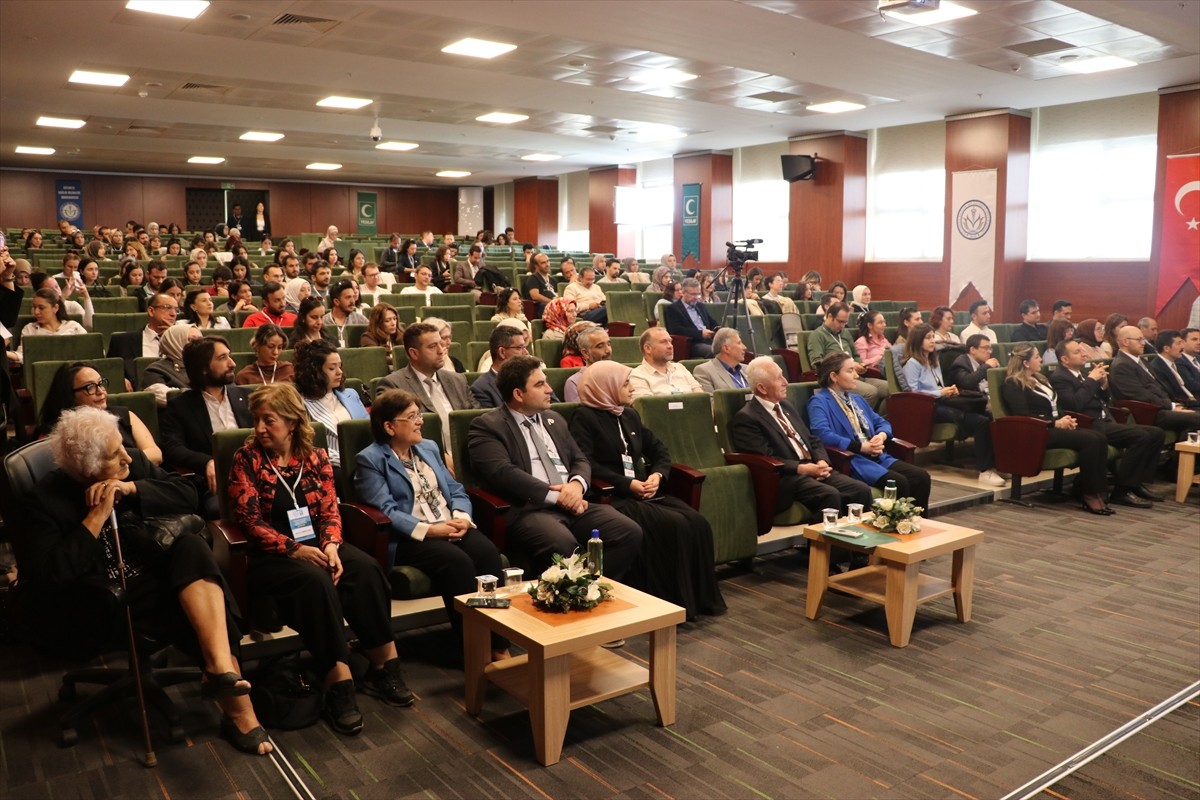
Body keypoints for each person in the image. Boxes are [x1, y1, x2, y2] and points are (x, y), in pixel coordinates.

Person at [16, 407, 271, 756]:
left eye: (123, 446)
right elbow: (51, 573)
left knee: (193, 549)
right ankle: (239, 709)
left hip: (151, 570)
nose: (126, 456)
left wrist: (133, 488)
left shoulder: (129, 464)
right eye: (114, 455)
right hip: (97, 596)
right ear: (85, 468)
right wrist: (95, 517)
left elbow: (188, 494)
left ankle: (220, 670)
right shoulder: (43, 501)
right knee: (201, 593)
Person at [230, 383, 411, 736]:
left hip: (316, 543)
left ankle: (384, 664)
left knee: (366, 569)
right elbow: (248, 522)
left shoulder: (315, 456)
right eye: (257, 420)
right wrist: (294, 549)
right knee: (314, 582)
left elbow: (330, 509)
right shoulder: (247, 458)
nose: (260, 428)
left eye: (270, 420)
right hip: (270, 553)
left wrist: (330, 546)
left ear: (293, 422)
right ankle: (337, 679)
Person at [354, 390, 511, 662]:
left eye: (419, 415)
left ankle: (499, 643)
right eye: (412, 416)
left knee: (486, 553)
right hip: (410, 538)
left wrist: (462, 517)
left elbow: (456, 489)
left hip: (449, 524)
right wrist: (430, 530)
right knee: (457, 562)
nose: (420, 422)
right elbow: (386, 510)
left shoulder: (428, 447)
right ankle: (474, 651)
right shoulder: (371, 459)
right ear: (389, 426)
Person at [570, 361, 726, 620]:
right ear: (605, 388)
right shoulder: (584, 418)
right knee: (674, 525)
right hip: (614, 496)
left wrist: (657, 475)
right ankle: (672, 603)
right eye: (625, 383)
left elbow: (659, 450)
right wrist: (627, 484)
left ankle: (700, 601)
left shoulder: (628, 414)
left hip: (645, 490)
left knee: (697, 522)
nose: (631, 388)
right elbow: (587, 464)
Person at [467, 355, 643, 580]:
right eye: (540, 384)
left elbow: (580, 459)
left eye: (546, 381)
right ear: (518, 394)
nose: (549, 389)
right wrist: (556, 497)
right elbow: (503, 473)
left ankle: (592, 592)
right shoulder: (487, 426)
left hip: (575, 502)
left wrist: (576, 486)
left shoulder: (554, 418)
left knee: (628, 531)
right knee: (562, 544)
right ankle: (569, 601)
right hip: (530, 510)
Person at [731, 356, 873, 517]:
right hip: (788, 478)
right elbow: (765, 459)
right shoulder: (747, 418)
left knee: (861, 490)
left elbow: (812, 439)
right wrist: (802, 468)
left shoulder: (786, 406)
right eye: (779, 378)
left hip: (812, 467)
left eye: (783, 375)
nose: (786, 382)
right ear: (762, 388)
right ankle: (821, 543)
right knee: (830, 495)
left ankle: (857, 540)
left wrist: (821, 460)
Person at [808, 353, 931, 510]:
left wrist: (881, 436)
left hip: (877, 455)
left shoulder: (856, 399)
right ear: (834, 376)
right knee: (899, 482)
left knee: (921, 477)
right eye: (850, 370)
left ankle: (916, 525)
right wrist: (860, 447)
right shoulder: (819, 401)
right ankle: (896, 528)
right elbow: (822, 435)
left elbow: (882, 422)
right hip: (853, 459)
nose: (856, 375)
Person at [1001, 344, 1113, 514]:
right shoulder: (1013, 383)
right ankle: (1089, 494)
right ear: (1025, 363)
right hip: (1038, 431)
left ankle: (1097, 491)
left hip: (1053, 426)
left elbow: (1054, 405)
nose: (1041, 360)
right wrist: (1055, 423)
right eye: (1037, 357)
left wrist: (1064, 418)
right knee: (1091, 440)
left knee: (1099, 437)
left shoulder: (1039, 378)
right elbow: (1023, 416)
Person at [1051, 340, 1164, 508]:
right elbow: (1074, 404)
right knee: (1141, 436)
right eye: (1077, 352)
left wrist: (1103, 385)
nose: (1084, 354)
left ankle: (1135, 483)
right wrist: (1091, 380)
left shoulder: (1082, 373)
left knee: (1157, 433)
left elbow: (1101, 399)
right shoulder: (1060, 378)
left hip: (1106, 419)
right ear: (1065, 360)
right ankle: (1122, 491)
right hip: (1090, 424)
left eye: (1083, 350)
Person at [160, 336, 255, 518]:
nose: (232, 363)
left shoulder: (248, 396)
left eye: (230, 356)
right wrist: (208, 461)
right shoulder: (181, 406)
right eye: (222, 358)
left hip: (257, 475)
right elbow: (172, 448)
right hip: (217, 484)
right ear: (203, 368)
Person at [903, 325, 1005, 487]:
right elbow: (914, 395)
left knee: (988, 417)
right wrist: (941, 393)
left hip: (942, 400)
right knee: (980, 422)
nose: (932, 341)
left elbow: (938, 386)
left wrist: (948, 391)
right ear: (917, 340)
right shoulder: (913, 363)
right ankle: (984, 470)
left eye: (932, 337)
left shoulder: (933, 361)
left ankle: (994, 464)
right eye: (928, 338)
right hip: (927, 407)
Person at [376, 323, 477, 458]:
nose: (441, 350)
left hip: (469, 455)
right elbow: (396, 434)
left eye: (441, 344)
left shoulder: (458, 380)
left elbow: (476, 421)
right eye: (433, 346)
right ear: (414, 353)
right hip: (423, 458)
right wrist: (438, 455)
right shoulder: (393, 385)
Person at [40, 361, 162, 464]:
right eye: (90, 387)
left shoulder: (124, 415)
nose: (100, 391)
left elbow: (156, 454)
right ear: (70, 395)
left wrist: (116, 462)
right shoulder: (57, 434)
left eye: (100, 383)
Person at [292, 339, 369, 474]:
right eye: (332, 368)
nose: (339, 372)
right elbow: (309, 445)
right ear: (314, 371)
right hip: (328, 467)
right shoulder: (300, 403)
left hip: (366, 461)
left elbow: (368, 430)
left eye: (340, 366)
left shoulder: (351, 394)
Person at [1109, 325, 1200, 434]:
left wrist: (1176, 404)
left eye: (1143, 339)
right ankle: (1182, 449)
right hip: (1149, 412)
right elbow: (1141, 395)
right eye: (1139, 340)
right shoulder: (1121, 365)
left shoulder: (1141, 361)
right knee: (1196, 418)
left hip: (1162, 406)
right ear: (1125, 342)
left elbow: (1158, 387)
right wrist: (1171, 406)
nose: (1143, 343)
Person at [807, 302, 889, 411]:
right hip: (838, 379)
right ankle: (857, 422)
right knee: (871, 392)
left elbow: (856, 355)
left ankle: (877, 418)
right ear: (829, 316)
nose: (842, 325)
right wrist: (844, 367)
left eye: (845, 322)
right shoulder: (817, 335)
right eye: (840, 321)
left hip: (857, 375)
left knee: (890, 389)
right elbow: (817, 363)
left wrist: (861, 365)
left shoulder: (844, 333)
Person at [108, 292, 179, 387]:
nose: (173, 314)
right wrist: (119, 379)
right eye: (167, 308)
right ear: (151, 311)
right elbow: (109, 372)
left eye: (176, 309)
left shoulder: (182, 342)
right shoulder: (121, 341)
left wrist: (172, 335)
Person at [13, 288, 89, 365]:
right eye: (34, 307)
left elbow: (88, 351)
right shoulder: (29, 329)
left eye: (41, 308)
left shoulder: (73, 326)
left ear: (55, 308)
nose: (36, 312)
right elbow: (22, 356)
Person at [629, 327, 703, 398]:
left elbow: (701, 398)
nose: (670, 346)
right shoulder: (637, 375)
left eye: (670, 342)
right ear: (648, 348)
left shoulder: (680, 368)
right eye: (663, 342)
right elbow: (646, 407)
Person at [471, 323, 531, 408]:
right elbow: (492, 420)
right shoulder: (482, 388)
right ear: (502, 352)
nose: (526, 353)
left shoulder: (533, 377)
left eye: (525, 347)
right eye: (519, 348)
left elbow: (553, 407)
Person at [140, 324, 202, 405]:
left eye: (201, 340)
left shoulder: (206, 366)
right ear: (175, 342)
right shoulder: (155, 370)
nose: (200, 345)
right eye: (192, 340)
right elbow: (164, 397)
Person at [664, 277, 720, 358]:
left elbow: (711, 322)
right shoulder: (673, 309)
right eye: (693, 294)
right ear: (683, 292)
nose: (697, 297)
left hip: (709, 340)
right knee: (715, 352)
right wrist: (700, 334)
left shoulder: (700, 306)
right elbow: (676, 330)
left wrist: (717, 329)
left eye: (698, 294)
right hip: (692, 343)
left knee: (732, 349)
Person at [1149, 330, 1200, 407]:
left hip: (1192, 401)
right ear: (1166, 348)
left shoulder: (1173, 362)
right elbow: (1173, 396)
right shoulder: (1157, 368)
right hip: (1182, 406)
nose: (1182, 347)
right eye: (1179, 343)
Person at [948, 334, 1000, 405]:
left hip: (988, 398)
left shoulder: (982, 362)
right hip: (972, 402)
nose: (989, 352)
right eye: (985, 348)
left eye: (990, 348)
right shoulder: (960, 363)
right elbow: (967, 383)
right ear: (972, 350)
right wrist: (986, 367)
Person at [562, 326, 611, 402]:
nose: (608, 350)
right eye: (600, 346)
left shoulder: (620, 376)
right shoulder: (574, 383)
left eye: (609, 344)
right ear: (585, 353)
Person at [693, 327, 749, 392]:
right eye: (739, 343)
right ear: (726, 348)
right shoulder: (704, 371)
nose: (744, 347)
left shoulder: (748, 369)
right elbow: (711, 401)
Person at [322, 280, 369, 349]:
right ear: (336, 301)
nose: (353, 301)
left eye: (353, 297)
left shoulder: (362, 320)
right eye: (348, 297)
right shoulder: (324, 321)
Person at [360, 303, 405, 371]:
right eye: (387, 320)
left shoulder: (402, 335)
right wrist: (399, 361)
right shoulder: (368, 338)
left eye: (394, 319)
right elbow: (377, 358)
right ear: (378, 322)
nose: (393, 323)